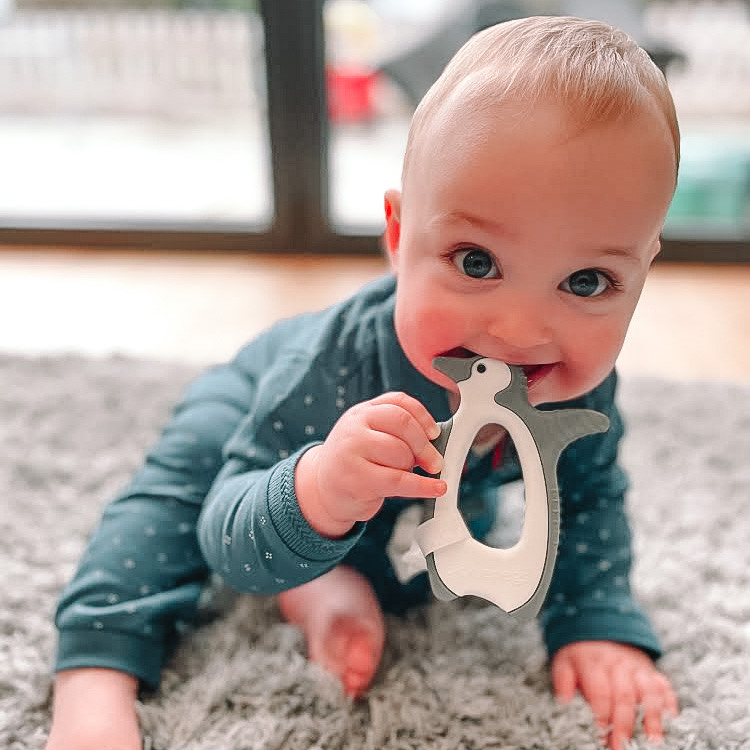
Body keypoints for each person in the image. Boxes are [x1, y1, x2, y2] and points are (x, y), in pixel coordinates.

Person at [45, 15, 681, 750]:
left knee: (391, 564)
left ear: (642, 271)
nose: (519, 330)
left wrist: (596, 619)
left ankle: (323, 580)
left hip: (393, 517)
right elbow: (227, 543)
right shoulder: (336, 364)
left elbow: (591, 497)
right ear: (398, 235)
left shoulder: (575, 386)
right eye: (477, 262)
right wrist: (314, 489)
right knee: (172, 496)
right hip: (256, 407)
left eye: (587, 280)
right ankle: (94, 668)